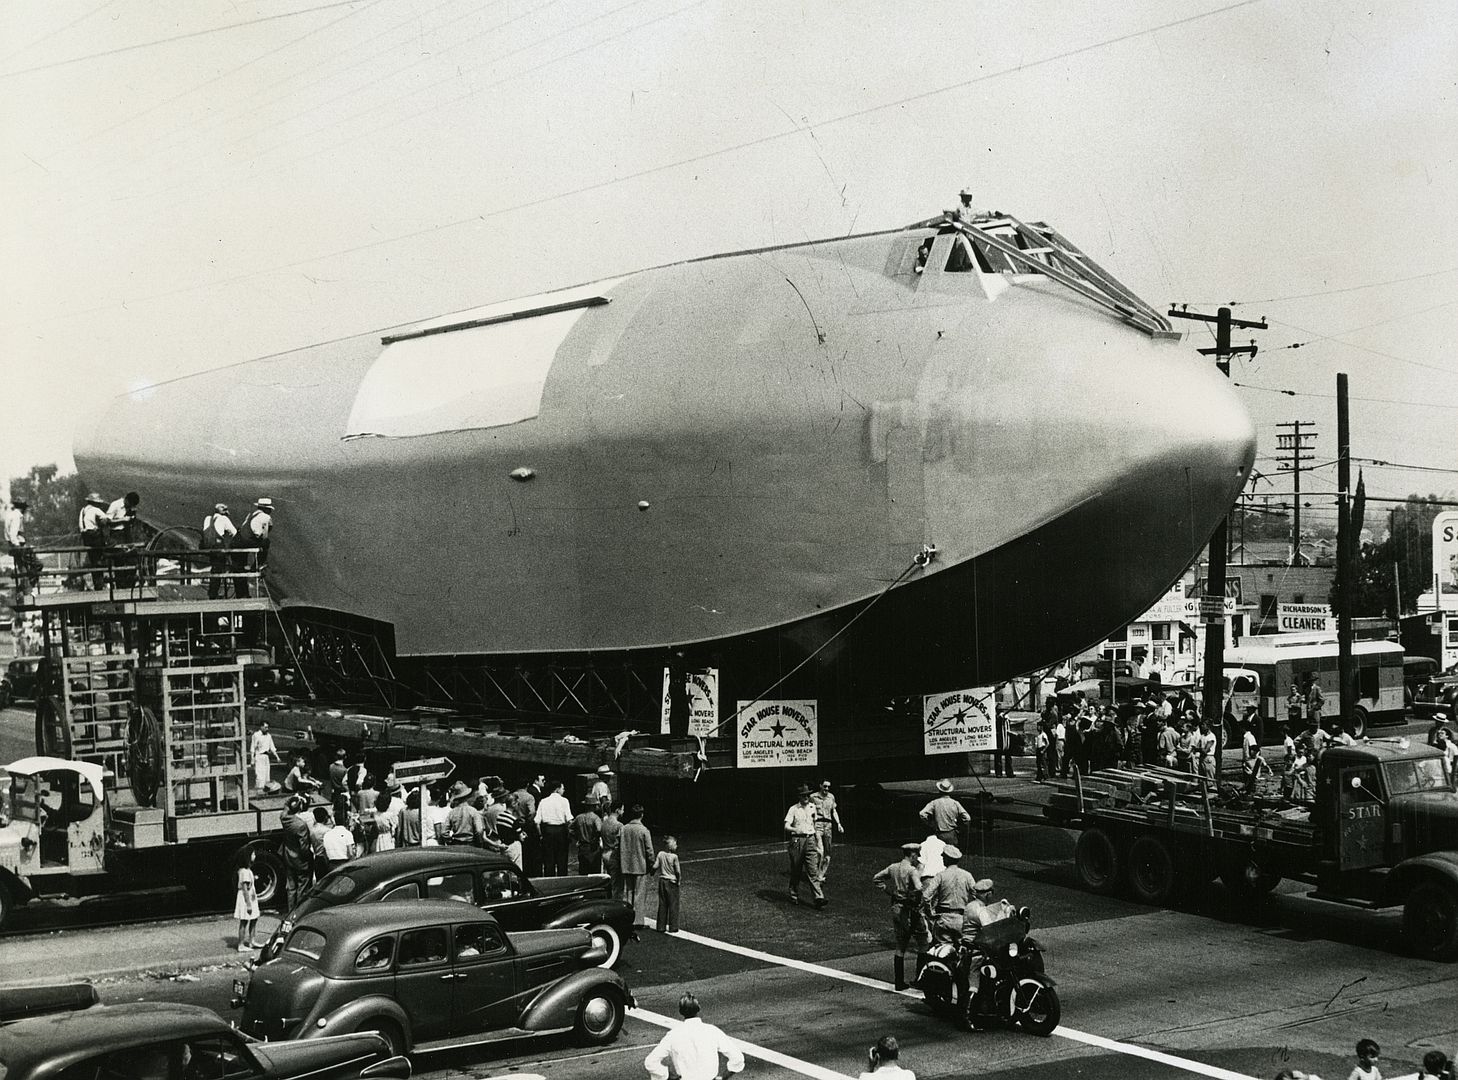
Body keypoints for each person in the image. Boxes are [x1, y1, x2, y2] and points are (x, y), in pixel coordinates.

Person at [643, 992, 744, 1080]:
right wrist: (724, 1077)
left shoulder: (673, 1035)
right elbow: (738, 1058)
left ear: (681, 1012)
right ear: (698, 1008)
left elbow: (650, 1062)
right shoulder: (712, 1031)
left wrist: (667, 1075)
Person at [872, 841, 926, 990]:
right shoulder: (912, 871)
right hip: (910, 909)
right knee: (923, 942)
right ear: (912, 854)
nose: (917, 858)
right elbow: (918, 887)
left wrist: (888, 891)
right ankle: (920, 979)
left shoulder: (893, 867)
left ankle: (899, 982)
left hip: (897, 907)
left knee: (901, 945)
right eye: (916, 855)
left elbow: (877, 878)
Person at [921, 844, 978, 944]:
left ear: (947, 859)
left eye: (944, 857)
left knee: (944, 949)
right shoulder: (967, 875)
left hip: (944, 918)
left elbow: (926, 895)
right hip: (961, 919)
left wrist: (930, 913)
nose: (942, 859)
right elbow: (977, 895)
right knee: (962, 948)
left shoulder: (941, 875)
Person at [784, 784, 826, 908]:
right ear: (799, 797)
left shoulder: (812, 807)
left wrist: (817, 841)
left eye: (808, 795)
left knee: (813, 871)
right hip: (797, 841)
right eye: (803, 796)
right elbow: (786, 826)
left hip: (810, 840)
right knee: (796, 870)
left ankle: (818, 898)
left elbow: (814, 823)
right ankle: (794, 895)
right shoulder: (793, 809)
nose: (806, 797)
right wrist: (795, 829)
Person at [620, 804, 655, 926]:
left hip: (626, 865)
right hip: (640, 865)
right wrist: (652, 865)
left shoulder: (624, 829)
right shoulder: (644, 830)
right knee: (639, 894)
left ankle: (627, 918)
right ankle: (638, 921)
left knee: (629, 892)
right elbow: (649, 850)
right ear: (642, 815)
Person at [280, 796, 314, 909]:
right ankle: (299, 910)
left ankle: (290, 910)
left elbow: (286, 806)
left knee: (291, 887)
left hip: (288, 856)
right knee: (302, 887)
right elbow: (304, 847)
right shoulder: (300, 825)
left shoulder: (284, 818)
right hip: (300, 859)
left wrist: (293, 798)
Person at [236, 497, 274, 598]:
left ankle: (242, 594)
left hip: (238, 541)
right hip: (247, 541)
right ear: (266, 509)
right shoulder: (265, 517)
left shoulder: (251, 514)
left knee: (239, 568)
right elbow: (262, 535)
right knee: (266, 543)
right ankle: (258, 565)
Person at [535, 778, 573, 876]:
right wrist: (570, 833)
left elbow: (536, 821)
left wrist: (540, 835)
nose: (563, 790)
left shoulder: (543, 801)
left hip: (547, 831)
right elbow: (569, 820)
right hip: (561, 831)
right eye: (562, 788)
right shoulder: (564, 801)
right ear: (557, 789)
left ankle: (549, 880)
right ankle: (562, 880)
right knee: (562, 860)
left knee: (548, 860)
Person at [810, 779, 844, 884]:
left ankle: (820, 875)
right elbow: (809, 811)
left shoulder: (831, 797)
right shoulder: (813, 797)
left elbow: (834, 811)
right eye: (825, 786)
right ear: (820, 786)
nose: (827, 789)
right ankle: (815, 874)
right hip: (818, 825)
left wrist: (839, 824)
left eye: (828, 787)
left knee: (828, 852)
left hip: (828, 825)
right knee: (820, 851)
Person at [5, 498, 43, 592]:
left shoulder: (10, 515)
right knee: (38, 564)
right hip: (18, 545)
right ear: (22, 507)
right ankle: (28, 584)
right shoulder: (17, 516)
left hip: (14, 544)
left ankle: (26, 587)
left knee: (22, 567)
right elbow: (13, 534)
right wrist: (18, 546)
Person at [918, 779, 969, 847]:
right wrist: (961, 828)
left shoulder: (934, 803)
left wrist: (930, 824)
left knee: (938, 851)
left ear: (940, 791)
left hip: (939, 834)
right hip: (951, 834)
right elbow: (967, 818)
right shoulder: (955, 803)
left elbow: (922, 814)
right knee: (952, 851)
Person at [202, 503, 237, 598]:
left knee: (214, 569)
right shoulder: (224, 519)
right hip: (218, 549)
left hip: (209, 548)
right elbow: (234, 533)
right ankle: (213, 593)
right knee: (218, 570)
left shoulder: (208, 518)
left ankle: (212, 592)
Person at [234, 847, 262, 951]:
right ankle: (241, 944)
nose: (255, 856)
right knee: (244, 921)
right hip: (246, 899)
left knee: (254, 918)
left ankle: (252, 941)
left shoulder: (247, 870)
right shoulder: (244, 872)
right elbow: (245, 889)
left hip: (251, 898)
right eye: (253, 854)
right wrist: (248, 904)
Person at [654, 835, 681, 933]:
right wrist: (678, 880)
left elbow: (655, 866)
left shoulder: (660, 854)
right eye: (675, 844)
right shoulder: (674, 857)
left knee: (662, 904)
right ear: (671, 846)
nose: (676, 846)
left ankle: (660, 926)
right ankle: (673, 927)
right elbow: (677, 871)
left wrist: (652, 872)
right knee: (673, 904)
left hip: (662, 880)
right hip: (671, 881)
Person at [445, 780, 484, 846]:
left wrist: (450, 841)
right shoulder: (473, 811)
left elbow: (444, 832)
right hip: (470, 843)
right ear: (467, 796)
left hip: (456, 844)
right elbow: (479, 830)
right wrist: (479, 843)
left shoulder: (452, 812)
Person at [571, 798, 604, 874]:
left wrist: (577, 837)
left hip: (582, 847)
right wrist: (595, 838)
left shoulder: (579, 817)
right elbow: (599, 830)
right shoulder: (596, 818)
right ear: (593, 806)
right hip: (593, 848)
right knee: (595, 872)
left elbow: (570, 829)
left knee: (583, 871)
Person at [601, 802, 624, 898]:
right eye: (622, 809)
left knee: (609, 882)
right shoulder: (619, 825)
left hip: (605, 854)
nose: (623, 811)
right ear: (617, 810)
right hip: (614, 855)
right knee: (617, 885)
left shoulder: (604, 823)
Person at [249, 721, 280, 791]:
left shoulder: (269, 736)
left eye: (268, 727)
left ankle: (265, 790)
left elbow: (272, 747)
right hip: (259, 756)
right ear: (261, 727)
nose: (267, 729)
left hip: (266, 757)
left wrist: (277, 757)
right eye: (265, 727)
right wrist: (252, 759)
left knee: (266, 775)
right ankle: (259, 790)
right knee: (260, 775)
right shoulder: (256, 735)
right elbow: (253, 748)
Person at [1241, 717, 1265, 795]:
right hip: (1248, 761)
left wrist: (1251, 757)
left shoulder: (1249, 737)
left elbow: (1254, 749)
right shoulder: (1246, 737)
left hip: (1250, 762)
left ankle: (1252, 793)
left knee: (1251, 780)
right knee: (1248, 780)